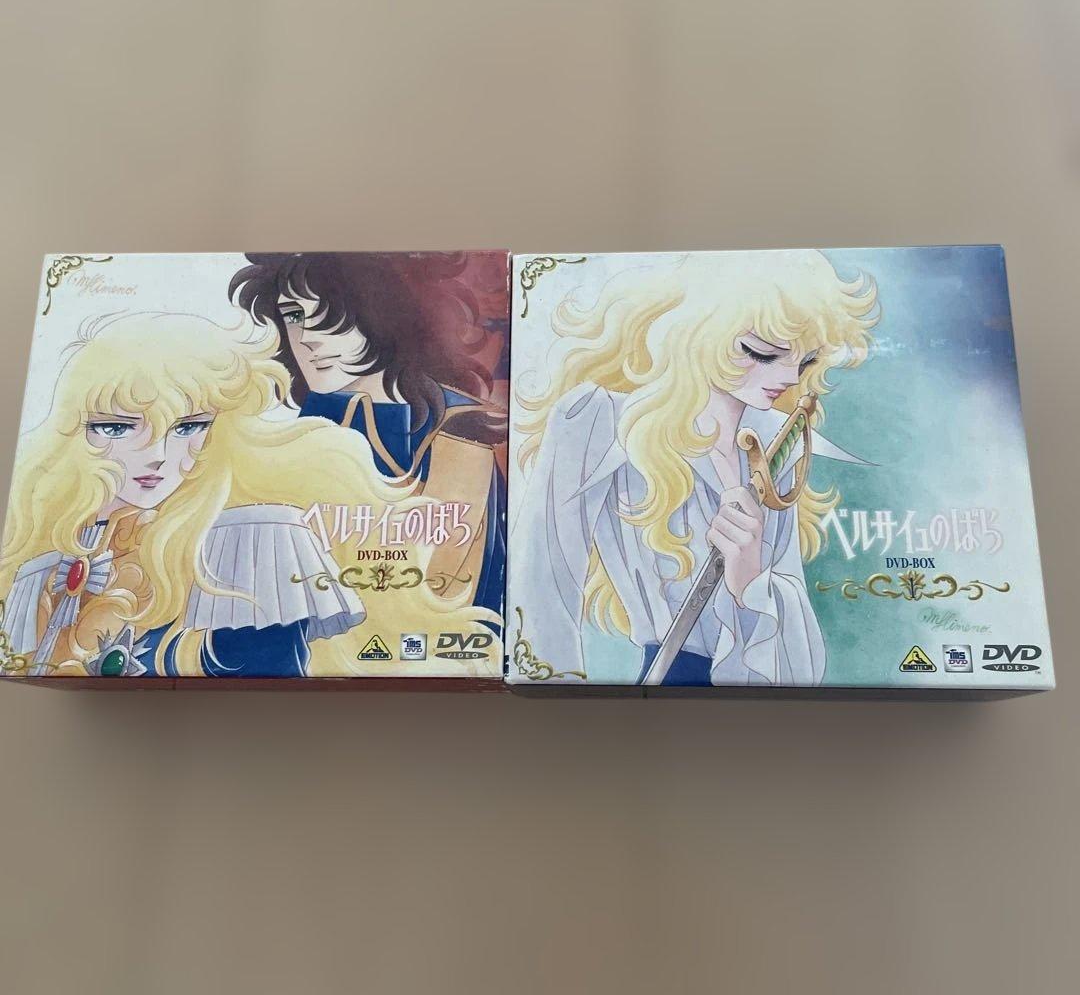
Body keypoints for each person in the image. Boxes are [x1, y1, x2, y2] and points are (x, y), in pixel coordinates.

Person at [0, 312, 482, 678]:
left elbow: (273, 685)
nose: (157, 457)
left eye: (188, 427)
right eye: (118, 428)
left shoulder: (255, 545)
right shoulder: (45, 567)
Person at [510, 250, 879, 686]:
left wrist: (749, 579)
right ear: (699, 331)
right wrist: (559, 702)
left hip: (754, 696)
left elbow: (798, 662)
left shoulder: (778, 441)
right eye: (762, 353)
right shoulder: (598, 420)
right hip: (659, 685)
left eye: (805, 360)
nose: (790, 377)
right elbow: (541, 585)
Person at [229, 252, 506, 616]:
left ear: (381, 314)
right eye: (294, 316)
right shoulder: (301, 430)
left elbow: (451, 586)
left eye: (333, 316)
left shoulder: (463, 429)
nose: (308, 339)